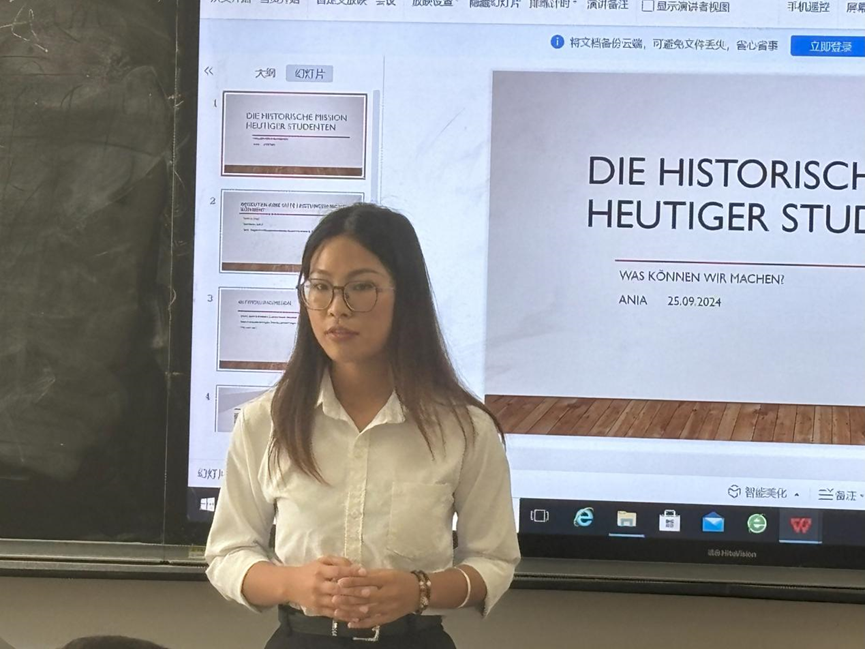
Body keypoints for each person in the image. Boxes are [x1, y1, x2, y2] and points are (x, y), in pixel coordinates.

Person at [205, 203, 519, 648]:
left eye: (361, 288)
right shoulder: (266, 420)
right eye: (320, 287)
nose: (337, 309)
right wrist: (293, 583)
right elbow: (227, 554)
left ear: (405, 296)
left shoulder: (465, 428)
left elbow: (494, 560)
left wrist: (420, 590)